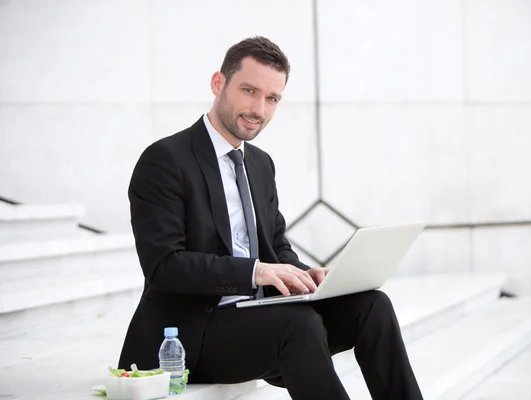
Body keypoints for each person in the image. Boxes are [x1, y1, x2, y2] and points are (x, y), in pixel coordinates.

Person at [118, 36, 423, 400]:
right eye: (249, 90)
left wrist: (306, 276)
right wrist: (254, 272)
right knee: (298, 323)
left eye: (272, 98)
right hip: (191, 334)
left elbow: (276, 246)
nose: (259, 108)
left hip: (261, 317)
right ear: (219, 83)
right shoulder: (165, 160)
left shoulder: (260, 164)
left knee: (373, 306)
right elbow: (164, 266)